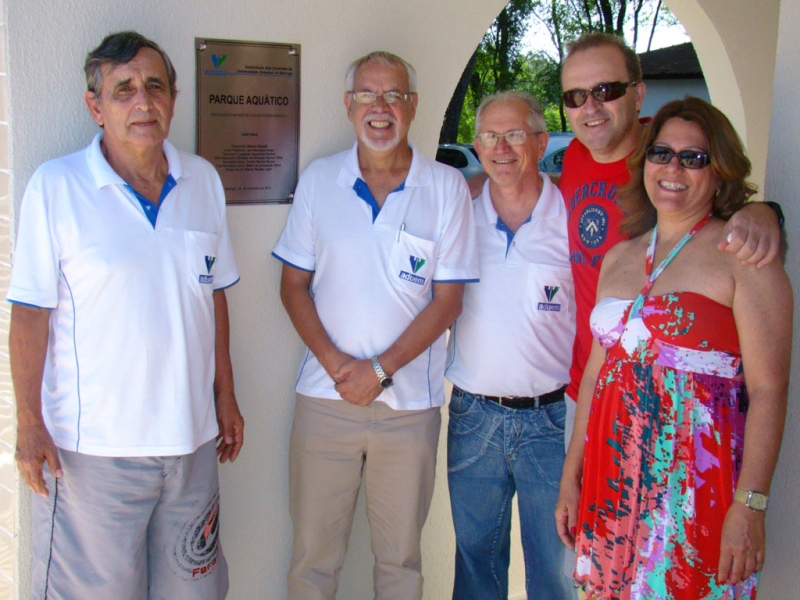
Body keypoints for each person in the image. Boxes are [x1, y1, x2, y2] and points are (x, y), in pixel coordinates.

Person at [8, 31, 243, 599]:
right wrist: (29, 424)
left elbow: (212, 296)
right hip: (93, 457)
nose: (143, 102)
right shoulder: (57, 186)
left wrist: (226, 396)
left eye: (155, 86)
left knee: (196, 593)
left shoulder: (203, 181)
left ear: (173, 96)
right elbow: (30, 314)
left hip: (190, 446)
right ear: (95, 106)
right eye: (124, 90)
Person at [555, 97, 792, 599]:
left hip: (696, 490)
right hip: (612, 480)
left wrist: (750, 505)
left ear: (719, 170)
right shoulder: (619, 255)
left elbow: (769, 389)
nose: (674, 168)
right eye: (662, 153)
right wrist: (571, 476)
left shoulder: (744, 254)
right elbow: (597, 377)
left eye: (694, 157)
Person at [272, 51, 479, 600]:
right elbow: (293, 287)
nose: (380, 108)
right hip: (325, 398)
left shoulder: (446, 187)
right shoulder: (320, 180)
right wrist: (342, 367)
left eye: (393, 95)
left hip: (409, 409)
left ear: (412, 106)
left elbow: (449, 301)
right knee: (313, 560)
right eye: (367, 94)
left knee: (400, 563)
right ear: (348, 105)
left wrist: (380, 371)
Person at [557, 32, 783, 449]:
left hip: (674, 410)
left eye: (605, 90)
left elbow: (715, 195)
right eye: (574, 96)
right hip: (587, 389)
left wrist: (767, 213)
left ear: (638, 93)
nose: (589, 107)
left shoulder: (667, 155)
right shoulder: (573, 156)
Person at [445, 91, 575, 599]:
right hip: (474, 417)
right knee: (477, 565)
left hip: (553, 421)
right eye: (490, 136)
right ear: (476, 146)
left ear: (541, 142)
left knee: (555, 573)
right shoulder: (458, 212)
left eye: (515, 134)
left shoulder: (574, 215)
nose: (501, 147)